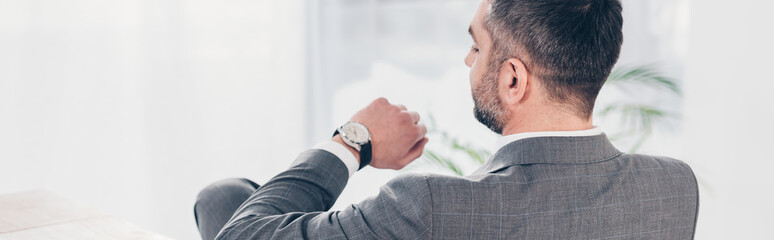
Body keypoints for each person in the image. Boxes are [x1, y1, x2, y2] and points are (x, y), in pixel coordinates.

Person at [194, 0, 699, 239]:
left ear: (513, 81)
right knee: (226, 197)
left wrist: (355, 140)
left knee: (225, 204)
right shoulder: (674, 188)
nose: (466, 61)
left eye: (476, 47)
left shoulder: (430, 206)